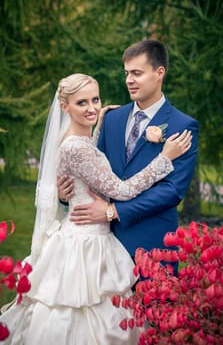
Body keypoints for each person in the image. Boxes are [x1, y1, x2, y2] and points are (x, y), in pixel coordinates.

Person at [0, 73, 192, 345]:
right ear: (65, 107)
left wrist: (97, 128)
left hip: (87, 232)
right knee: (80, 312)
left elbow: (86, 172)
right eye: (81, 103)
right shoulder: (76, 148)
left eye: (95, 100)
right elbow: (121, 190)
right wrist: (164, 158)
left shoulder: (80, 140)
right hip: (86, 242)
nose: (91, 108)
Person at [58, 39, 199, 269]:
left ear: (159, 72)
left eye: (137, 73)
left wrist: (113, 212)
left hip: (151, 244)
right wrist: (65, 194)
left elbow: (172, 191)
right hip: (102, 245)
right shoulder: (111, 118)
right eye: (126, 73)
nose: (129, 80)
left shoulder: (182, 125)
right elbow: (93, 172)